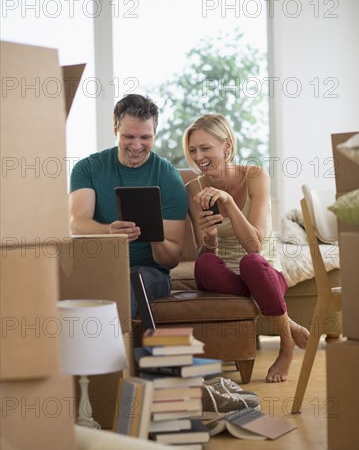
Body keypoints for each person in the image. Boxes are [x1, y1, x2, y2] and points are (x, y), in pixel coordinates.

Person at [182, 114, 309, 383]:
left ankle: (286, 347)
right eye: (193, 150)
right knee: (203, 264)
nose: (198, 156)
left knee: (250, 262)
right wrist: (211, 236)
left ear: (227, 146)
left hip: (263, 271)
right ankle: (290, 323)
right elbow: (203, 253)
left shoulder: (255, 176)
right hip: (226, 278)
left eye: (206, 148)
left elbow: (254, 244)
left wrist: (228, 203)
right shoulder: (193, 189)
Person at [69, 94, 188, 317]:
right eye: (128, 136)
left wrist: (154, 235)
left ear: (155, 134)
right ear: (116, 130)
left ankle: (116, 351)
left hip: (150, 272)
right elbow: (77, 224)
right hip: (99, 267)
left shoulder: (168, 177)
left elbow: (171, 260)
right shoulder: (88, 168)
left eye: (145, 137)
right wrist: (108, 231)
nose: (136, 145)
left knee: (127, 284)